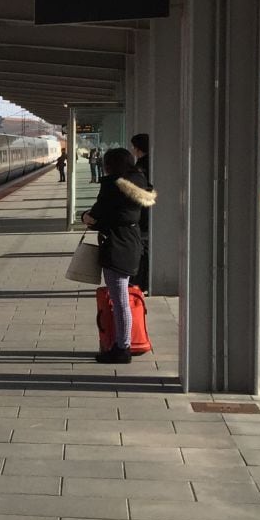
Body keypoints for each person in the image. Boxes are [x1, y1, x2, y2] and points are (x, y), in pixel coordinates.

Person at [82, 148, 156, 364]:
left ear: (109, 165)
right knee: (122, 297)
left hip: (116, 245)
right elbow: (125, 216)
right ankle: (122, 344)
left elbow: (97, 215)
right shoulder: (140, 183)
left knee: (120, 300)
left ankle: (122, 347)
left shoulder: (112, 186)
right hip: (132, 243)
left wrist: (85, 217)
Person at [129, 134, 151, 292]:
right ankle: (144, 281)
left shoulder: (140, 167)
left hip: (143, 214)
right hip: (149, 213)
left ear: (137, 148)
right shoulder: (154, 163)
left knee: (142, 250)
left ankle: (141, 282)